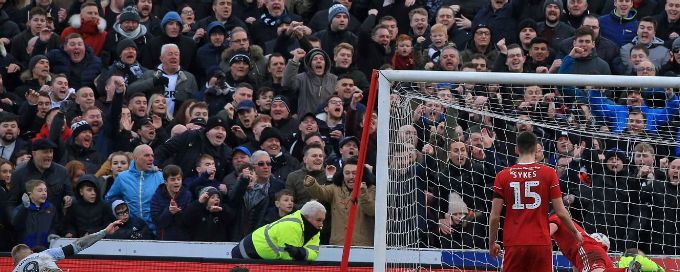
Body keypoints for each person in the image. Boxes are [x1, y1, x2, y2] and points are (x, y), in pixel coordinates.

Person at [488, 131, 583, 271]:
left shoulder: (502, 176)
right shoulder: (549, 173)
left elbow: (495, 216)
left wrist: (492, 242)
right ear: (535, 149)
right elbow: (561, 211)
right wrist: (575, 233)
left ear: (516, 149)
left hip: (514, 242)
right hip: (540, 242)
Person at [11, 220, 123, 271]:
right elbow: (79, 245)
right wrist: (104, 232)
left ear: (15, 263)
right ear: (31, 252)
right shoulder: (44, 254)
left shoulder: (16, 269)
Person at [231, 200, 325, 260]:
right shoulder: (291, 226)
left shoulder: (315, 229)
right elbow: (287, 259)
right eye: (318, 220)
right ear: (307, 217)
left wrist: (302, 253)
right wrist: (300, 254)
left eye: (322, 220)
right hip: (245, 255)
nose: (321, 224)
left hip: (257, 257)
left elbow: (314, 253)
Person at [548, 213, 640, 272]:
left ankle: (626, 270)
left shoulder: (556, 217)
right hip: (595, 252)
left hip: (586, 249)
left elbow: (546, 235)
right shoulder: (568, 230)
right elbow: (577, 264)